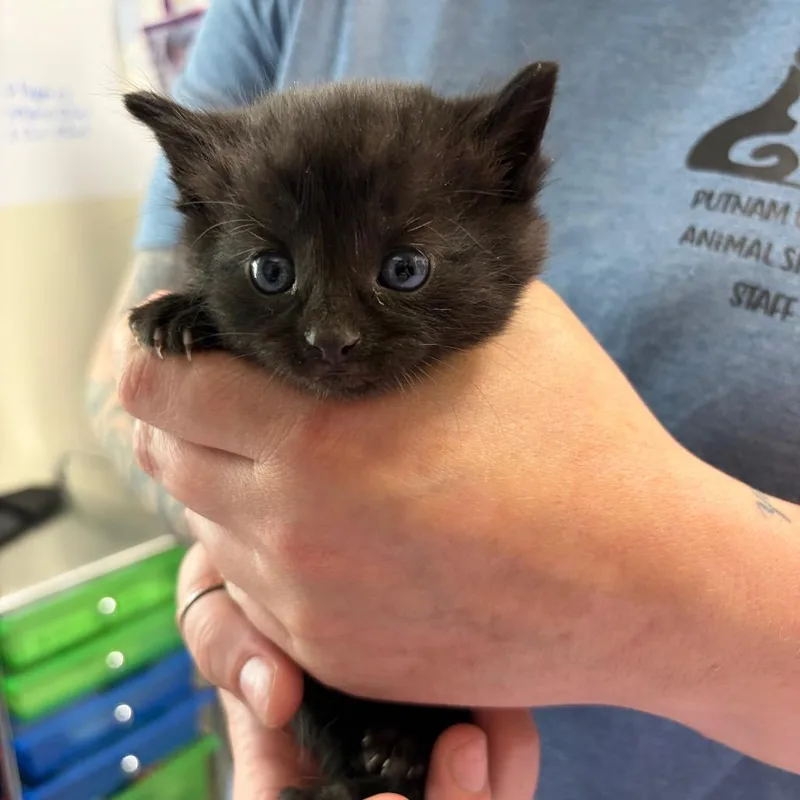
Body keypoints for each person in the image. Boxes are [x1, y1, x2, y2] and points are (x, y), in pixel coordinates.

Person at [88, 1, 800, 798]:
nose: (329, 334)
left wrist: (648, 588)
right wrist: (232, 542)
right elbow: (121, 383)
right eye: (273, 274)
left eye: (403, 271)